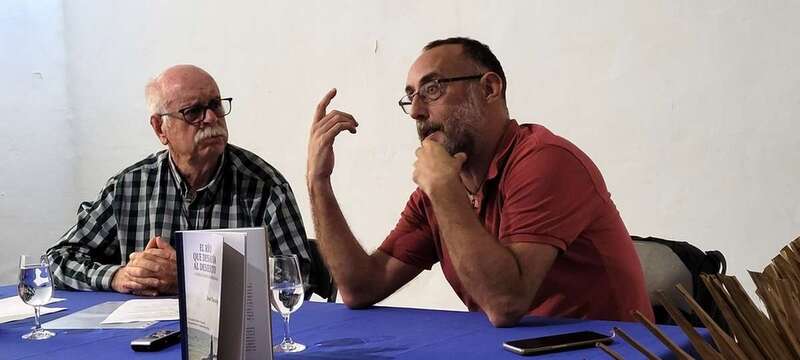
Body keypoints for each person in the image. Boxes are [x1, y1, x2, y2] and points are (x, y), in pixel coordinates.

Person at [306, 37, 653, 327]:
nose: (416, 111)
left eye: (432, 89)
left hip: (608, 350)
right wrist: (318, 182)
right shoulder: (440, 187)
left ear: (489, 88)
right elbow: (362, 287)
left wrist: (444, 190)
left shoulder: (546, 161)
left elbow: (505, 304)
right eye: (411, 96)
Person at [47, 65, 310, 296]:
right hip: (145, 330)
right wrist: (118, 276)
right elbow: (57, 260)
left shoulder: (264, 186)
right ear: (160, 128)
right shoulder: (128, 187)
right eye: (193, 112)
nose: (211, 118)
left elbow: (297, 278)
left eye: (215, 105)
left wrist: (193, 277)